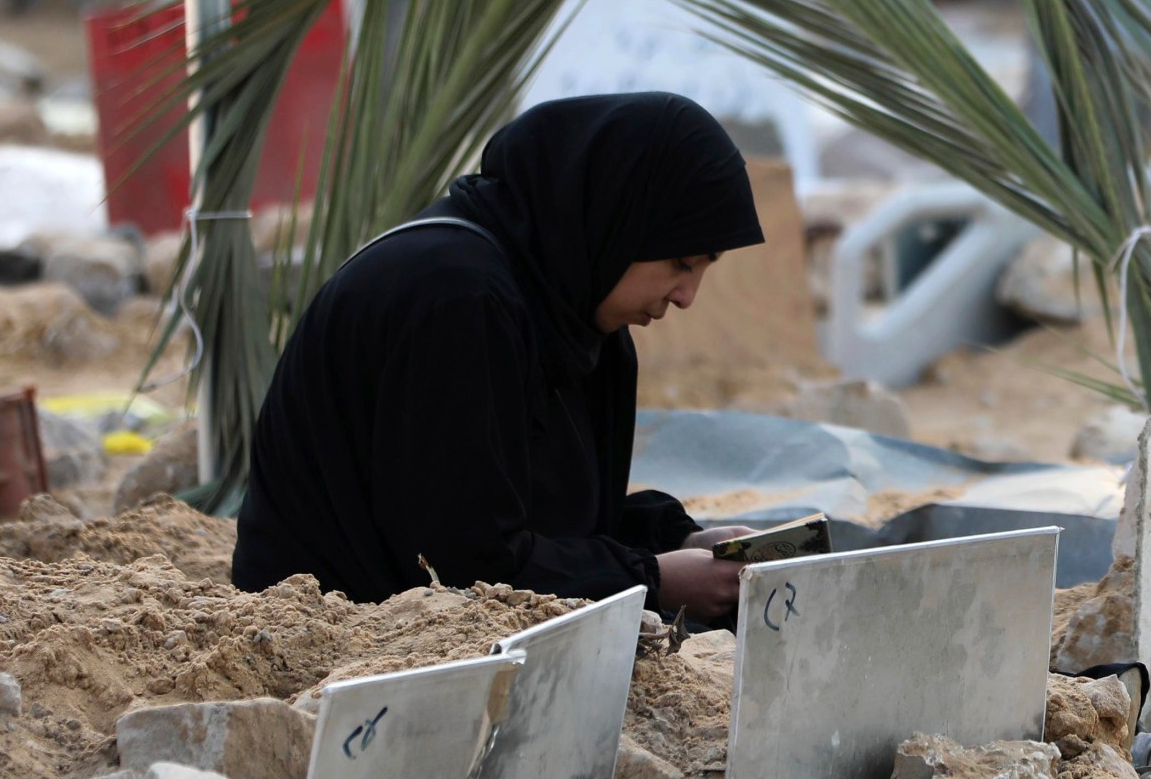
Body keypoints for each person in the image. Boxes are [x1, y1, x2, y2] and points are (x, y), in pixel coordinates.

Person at [233, 95, 770, 618]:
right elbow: (462, 564)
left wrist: (677, 539)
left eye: (703, 268)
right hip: (330, 632)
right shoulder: (456, 299)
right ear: (614, 216)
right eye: (680, 262)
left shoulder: (570, 312)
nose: (686, 296)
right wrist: (651, 578)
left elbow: (535, 514)